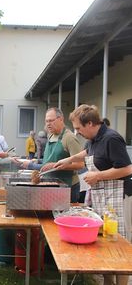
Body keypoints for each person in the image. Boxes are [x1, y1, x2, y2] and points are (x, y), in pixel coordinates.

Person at [54, 104, 132, 285]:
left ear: (90, 124)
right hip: (103, 198)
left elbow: (127, 168)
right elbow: (87, 152)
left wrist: (98, 175)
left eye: (79, 128)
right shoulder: (93, 138)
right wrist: (68, 159)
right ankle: (107, 282)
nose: (77, 132)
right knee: (105, 243)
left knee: (119, 246)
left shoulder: (112, 138)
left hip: (119, 196)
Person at [41, 108, 84, 203]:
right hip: (50, 185)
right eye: (46, 121)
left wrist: (56, 165)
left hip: (67, 187)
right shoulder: (50, 136)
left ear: (61, 119)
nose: (48, 124)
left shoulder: (69, 137)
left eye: (51, 120)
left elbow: (80, 164)